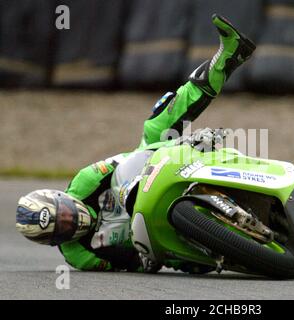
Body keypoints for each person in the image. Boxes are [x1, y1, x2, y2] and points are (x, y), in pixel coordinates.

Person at [15, 14, 256, 273]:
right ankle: (243, 257)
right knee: (189, 265)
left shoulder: (84, 182)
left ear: (62, 197)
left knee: (156, 126)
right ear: (55, 243)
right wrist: (148, 258)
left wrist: (179, 146)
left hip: (147, 180)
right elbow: (132, 266)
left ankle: (229, 56)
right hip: (155, 238)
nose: (69, 222)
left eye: (63, 214)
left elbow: (130, 161)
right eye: (61, 230)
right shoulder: (79, 256)